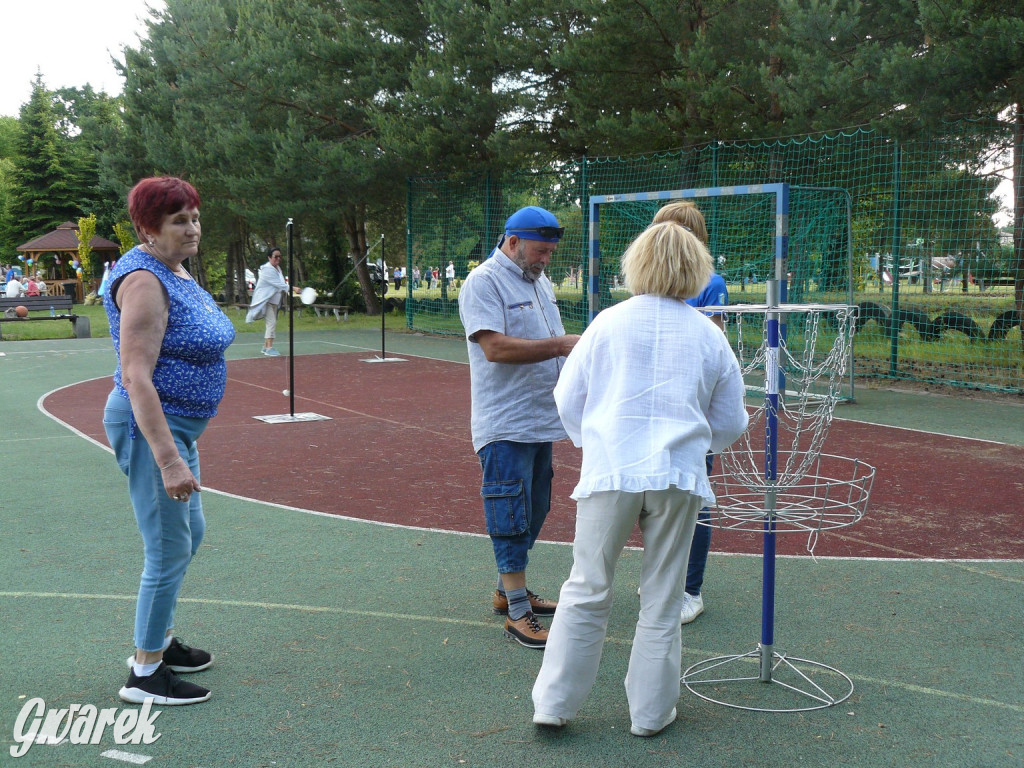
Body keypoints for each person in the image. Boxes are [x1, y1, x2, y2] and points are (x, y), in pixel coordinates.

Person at [531, 221, 748, 736]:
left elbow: (567, 397)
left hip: (612, 470)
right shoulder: (708, 334)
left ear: (637, 265)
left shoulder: (607, 323)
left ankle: (555, 703)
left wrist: (597, 440)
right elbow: (732, 418)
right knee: (664, 594)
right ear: (696, 270)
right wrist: (700, 447)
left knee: (586, 585)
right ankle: (650, 714)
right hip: (678, 476)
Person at [103, 176, 236, 706]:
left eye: (195, 217)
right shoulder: (143, 280)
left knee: (189, 535)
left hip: (179, 427)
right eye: (178, 220)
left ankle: (156, 639)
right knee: (167, 547)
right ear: (147, 228)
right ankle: (144, 675)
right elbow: (136, 375)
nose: (192, 227)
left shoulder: (175, 269)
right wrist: (168, 461)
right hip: (152, 428)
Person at [458, 205, 580, 649]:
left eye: (550, 252)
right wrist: (563, 345)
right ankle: (517, 612)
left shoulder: (539, 281)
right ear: (513, 243)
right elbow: (494, 348)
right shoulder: (483, 282)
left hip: (540, 421)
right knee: (508, 515)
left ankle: (506, 589)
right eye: (540, 251)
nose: (546, 260)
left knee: (536, 509)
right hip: (504, 423)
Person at [650, 200, 729, 624]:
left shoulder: (711, 283)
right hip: (651, 406)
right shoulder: (646, 282)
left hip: (688, 409)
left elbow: (710, 349)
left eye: (676, 230)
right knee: (652, 495)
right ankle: (664, 577)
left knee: (694, 498)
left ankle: (690, 589)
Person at [245, 247, 288, 356]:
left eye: (279, 256)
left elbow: (280, 285)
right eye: (275, 257)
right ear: (269, 257)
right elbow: (279, 284)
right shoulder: (267, 269)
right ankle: (269, 348)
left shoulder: (278, 268)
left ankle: (265, 347)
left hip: (274, 301)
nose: (278, 259)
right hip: (266, 301)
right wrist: (293, 288)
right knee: (271, 323)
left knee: (271, 323)